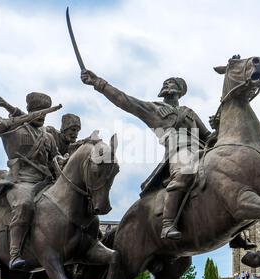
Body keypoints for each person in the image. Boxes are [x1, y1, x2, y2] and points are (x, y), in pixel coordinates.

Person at [81, 70, 212, 240]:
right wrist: (98, 83)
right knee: (184, 173)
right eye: (165, 82)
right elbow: (124, 100)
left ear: (180, 89)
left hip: (202, 151)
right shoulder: (154, 109)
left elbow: (208, 136)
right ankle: (168, 223)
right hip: (179, 151)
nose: (166, 84)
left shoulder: (189, 112)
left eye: (171, 82)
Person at [0, 92, 60, 270]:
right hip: (21, 182)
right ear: (30, 111)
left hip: (46, 183)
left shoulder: (48, 136)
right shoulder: (14, 128)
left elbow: (56, 159)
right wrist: (9, 119)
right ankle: (15, 254)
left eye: (45, 113)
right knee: (24, 204)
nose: (42, 116)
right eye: (39, 112)